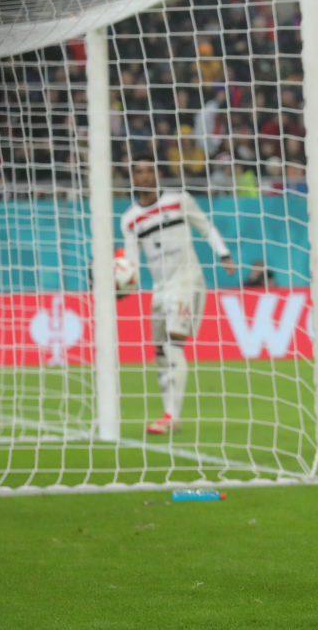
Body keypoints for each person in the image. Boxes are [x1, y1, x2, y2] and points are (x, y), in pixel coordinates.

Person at [120, 157, 237, 434]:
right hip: (160, 289)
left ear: (158, 174)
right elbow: (132, 261)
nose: (145, 176)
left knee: (173, 344)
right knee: (160, 352)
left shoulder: (179, 200)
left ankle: (170, 415)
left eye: (150, 170)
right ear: (133, 177)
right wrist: (122, 284)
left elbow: (205, 226)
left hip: (187, 280)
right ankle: (170, 414)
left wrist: (224, 254)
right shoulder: (129, 219)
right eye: (139, 171)